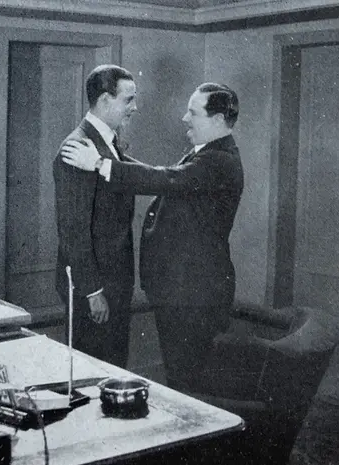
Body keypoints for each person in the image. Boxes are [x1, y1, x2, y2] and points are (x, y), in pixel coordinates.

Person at [60, 83, 244, 391]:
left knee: (187, 377)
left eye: (193, 113)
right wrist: (114, 157)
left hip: (193, 294)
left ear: (217, 119)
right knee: (182, 372)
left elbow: (167, 179)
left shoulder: (219, 161)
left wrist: (101, 163)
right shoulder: (211, 153)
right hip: (186, 290)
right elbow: (165, 174)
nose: (185, 118)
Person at [53, 64, 137, 368]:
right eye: (128, 100)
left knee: (113, 368)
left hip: (113, 284)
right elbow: (73, 229)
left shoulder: (107, 143)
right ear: (104, 100)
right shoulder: (77, 147)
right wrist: (92, 291)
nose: (134, 107)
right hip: (96, 288)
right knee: (94, 371)